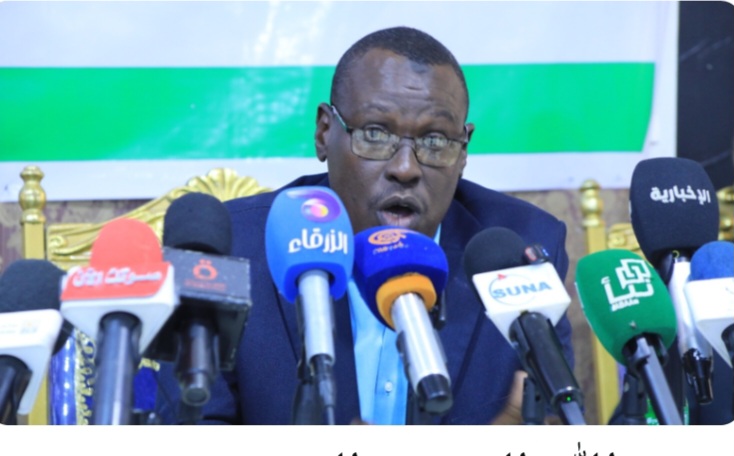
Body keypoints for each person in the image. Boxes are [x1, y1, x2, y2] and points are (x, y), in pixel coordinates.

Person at [154, 26, 574, 425]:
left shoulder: (518, 251)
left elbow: (554, 421)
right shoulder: (232, 249)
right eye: (375, 134)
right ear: (324, 132)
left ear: (463, 151)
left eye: (434, 141)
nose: (405, 168)